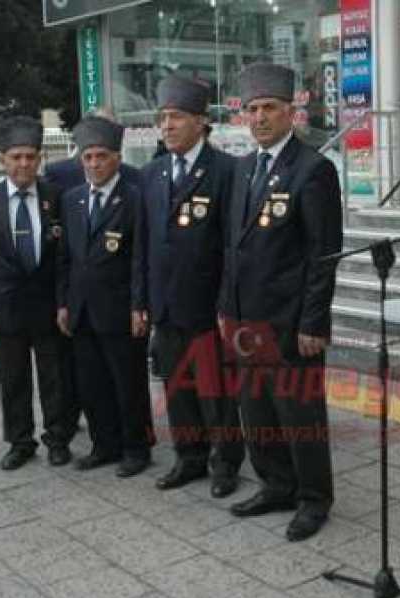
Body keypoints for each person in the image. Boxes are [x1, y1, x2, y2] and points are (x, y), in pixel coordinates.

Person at [218, 63, 342, 542]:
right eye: (252, 109)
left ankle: (313, 498)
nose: (260, 117)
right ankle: (276, 484)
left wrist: (314, 321)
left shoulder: (313, 170)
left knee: (299, 414)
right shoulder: (244, 168)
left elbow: (322, 255)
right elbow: (233, 246)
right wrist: (227, 309)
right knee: (258, 410)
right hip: (246, 320)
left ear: (292, 113)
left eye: (270, 108)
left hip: (291, 321)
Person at [140, 74, 244, 498]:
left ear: (201, 122)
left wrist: (226, 305)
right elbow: (142, 245)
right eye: (162, 117)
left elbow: (233, 247)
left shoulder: (226, 171)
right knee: (177, 388)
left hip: (206, 306)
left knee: (214, 391)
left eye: (176, 117)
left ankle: (225, 462)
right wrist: (140, 299)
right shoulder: (152, 172)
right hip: (165, 304)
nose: (166, 125)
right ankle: (190, 457)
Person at [0, 116, 77, 471]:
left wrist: (64, 302)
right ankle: (20, 441)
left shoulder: (56, 197)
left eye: (30, 156)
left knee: (54, 378)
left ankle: (58, 438)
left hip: (48, 307)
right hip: (5, 308)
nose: (24, 164)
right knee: (13, 380)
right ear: (2, 159)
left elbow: (65, 258)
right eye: (16, 157)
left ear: (40, 159)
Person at [56, 116, 153, 477]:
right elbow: (64, 257)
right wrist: (63, 302)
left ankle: (136, 447)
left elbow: (140, 258)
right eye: (88, 157)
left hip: (120, 309)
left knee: (127, 384)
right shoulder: (72, 200)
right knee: (92, 383)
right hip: (81, 309)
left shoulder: (133, 199)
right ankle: (104, 444)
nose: (94, 164)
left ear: (117, 158)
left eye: (102, 156)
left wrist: (139, 305)